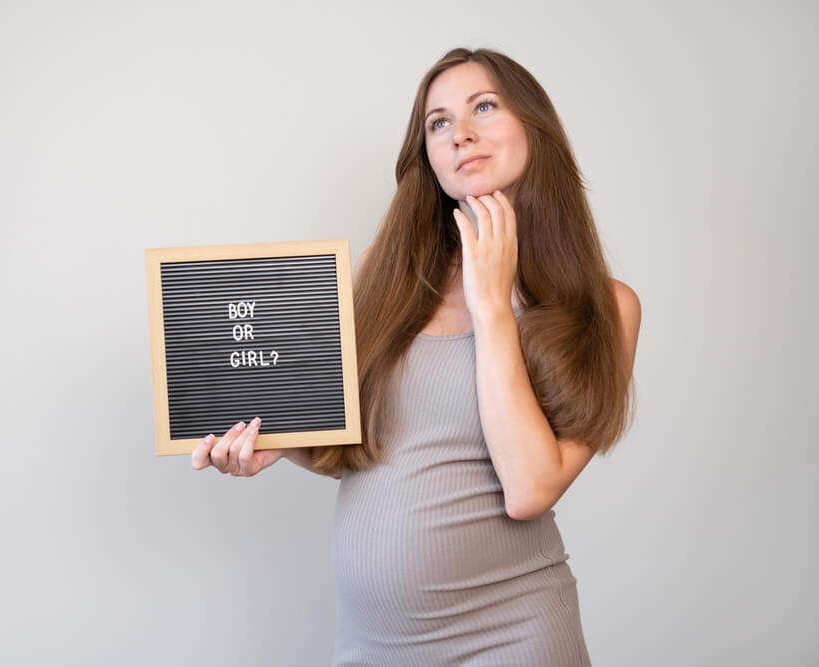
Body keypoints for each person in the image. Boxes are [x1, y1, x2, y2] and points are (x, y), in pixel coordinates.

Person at [191, 46, 641, 666]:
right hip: (373, 646)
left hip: (515, 636)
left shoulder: (607, 307)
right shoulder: (390, 277)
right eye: (439, 122)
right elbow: (367, 451)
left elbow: (531, 489)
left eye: (484, 107)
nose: (461, 133)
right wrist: (286, 442)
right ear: (426, 155)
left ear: (534, 126)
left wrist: (491, 307)